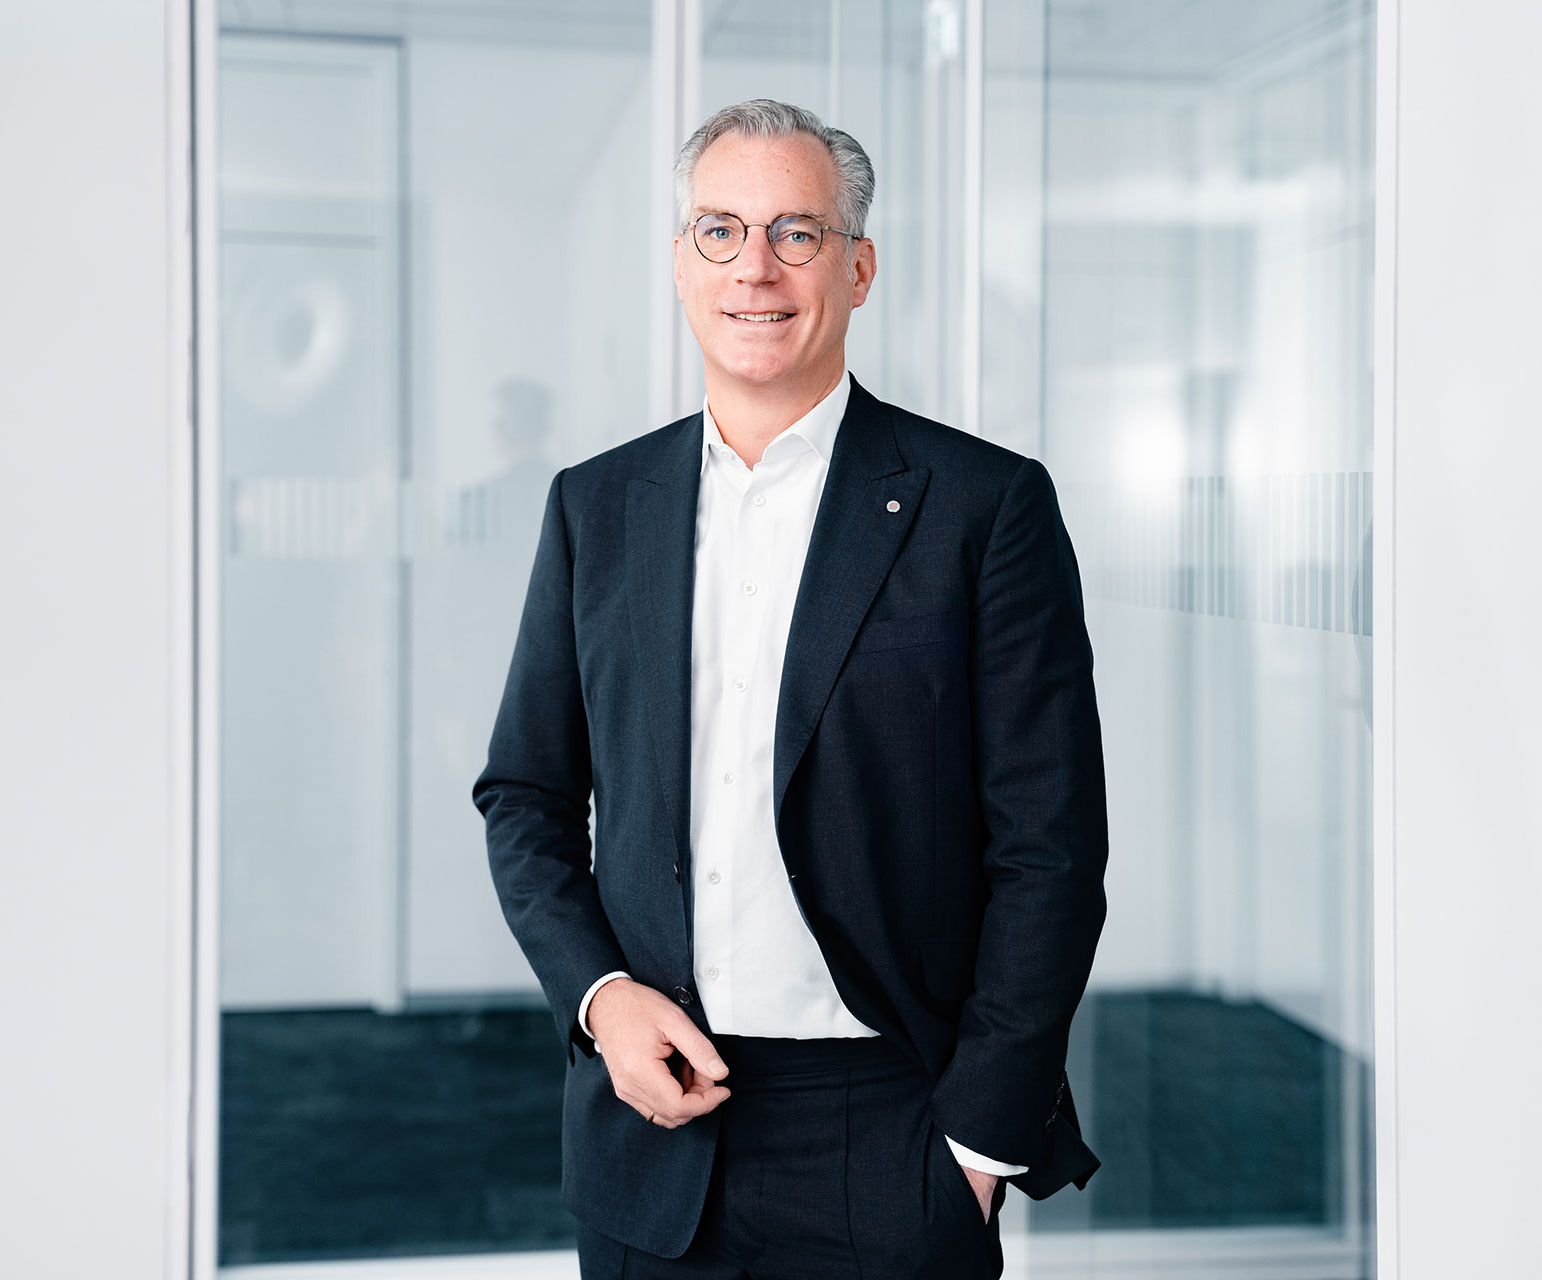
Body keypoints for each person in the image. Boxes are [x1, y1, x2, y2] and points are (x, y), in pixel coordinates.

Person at [473, 98, 1108, 1279]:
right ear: (680, 264)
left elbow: (1051, 850)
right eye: (720, 231)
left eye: (796, 234)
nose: (754, 268)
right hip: (649, 1122)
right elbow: (525, 795)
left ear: (858, 268)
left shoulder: (984, 508)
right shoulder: (595, 507)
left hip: (893, 1128)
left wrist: (974, 1142)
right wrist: (602, 997)